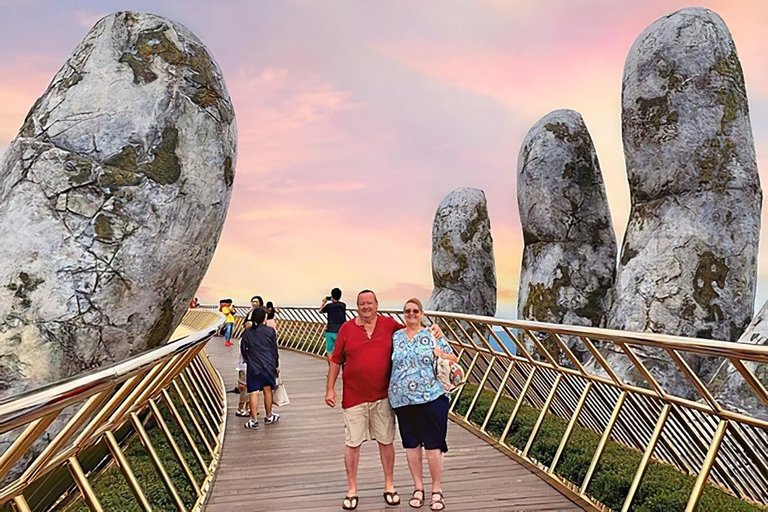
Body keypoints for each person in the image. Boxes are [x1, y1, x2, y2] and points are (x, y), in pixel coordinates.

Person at [325, 290, 443, 511]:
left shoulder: (390, 326)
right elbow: (336, 360)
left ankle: (389, 486)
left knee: (386, 441)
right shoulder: (346, 329)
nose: (366, 306)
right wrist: (330, 389)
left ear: (377, 305)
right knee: (352, 443)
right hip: (353, 396)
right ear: (357, 306)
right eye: (362, 303)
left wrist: (434, 329)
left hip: (383, 396)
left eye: (370, 303)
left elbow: (413, 331)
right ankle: (352, 490)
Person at [389, 298, 457, 511]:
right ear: (403, 314)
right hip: (403, 400)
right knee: (411, 446)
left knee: (433, 446)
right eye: (407, 311)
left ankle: (437, 490)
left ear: (422, 313)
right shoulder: (396, 336)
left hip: (431, 398)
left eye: (415, 311)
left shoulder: (432, 334)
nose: (411, 314)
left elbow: (453, 358)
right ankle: (418, 488)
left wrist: (441, 354)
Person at [240, 307, 280, 428]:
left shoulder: (247, 333)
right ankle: (268, 416)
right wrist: (276, 364)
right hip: (268, 364)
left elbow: (243, 349)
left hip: (254, 365)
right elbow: (274, 349)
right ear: (264, 318)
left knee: (254, 392)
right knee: (268, 390)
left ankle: (253, 420)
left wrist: (248, 359)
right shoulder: (270, 331)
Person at [320, 288, 346, 364]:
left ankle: (331, 367)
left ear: (332, 296)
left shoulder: (329, 306)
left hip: (330, 330)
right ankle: (342, 365)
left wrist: (324, 302)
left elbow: (320, 311)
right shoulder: (343, 305)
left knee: (330, 350)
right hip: (341, 331)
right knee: (341, 350)